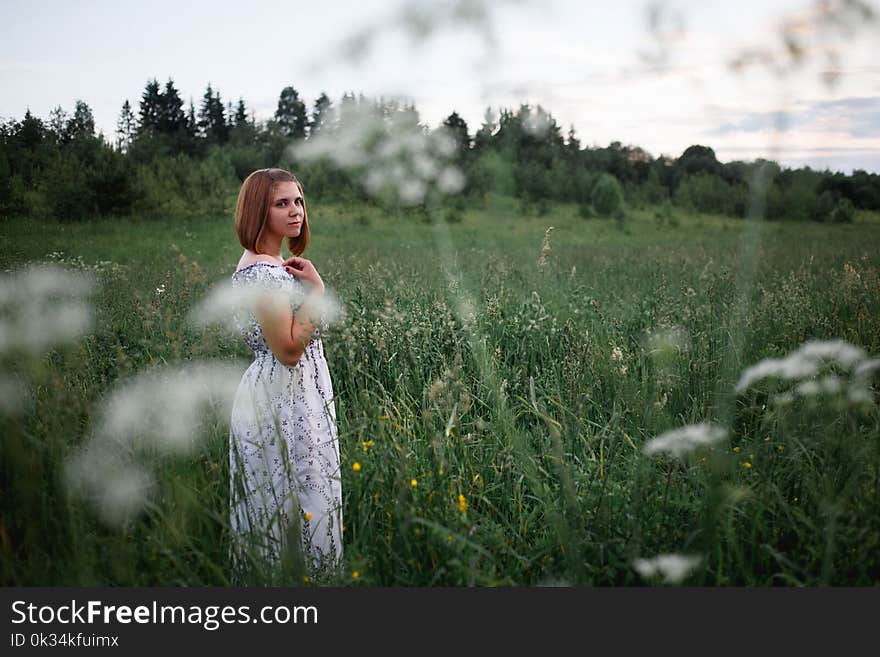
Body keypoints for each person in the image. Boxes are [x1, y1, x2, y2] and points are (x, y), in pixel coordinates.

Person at [227, 167, 342, 580]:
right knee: (285, 502)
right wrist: (317, 293)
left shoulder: (274, 265)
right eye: (282, 203)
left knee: (300, 500)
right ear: (259, 210)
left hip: (294, 394)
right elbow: (290, 349)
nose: (295, 211)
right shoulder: (261, 272)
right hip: (281, 395)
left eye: (298, 201)